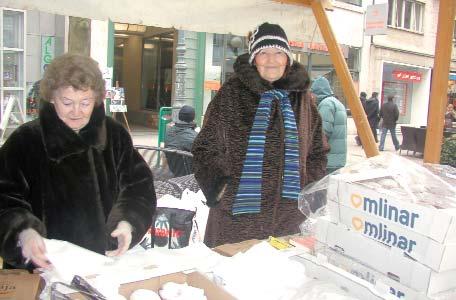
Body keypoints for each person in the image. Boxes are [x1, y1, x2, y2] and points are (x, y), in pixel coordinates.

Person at [0, 54, 156, 270]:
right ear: (52, 97)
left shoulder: (115, 136)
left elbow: (139, 188)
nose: (76, 112)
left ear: (97, 99)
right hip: (43, 270)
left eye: (85, 102)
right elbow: (5, 200)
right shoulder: (24, 141)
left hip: (103, 265)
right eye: (67, 102)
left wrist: (128, 222)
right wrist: (23, 234)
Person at [191, 22, 329, 248]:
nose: (271, 60)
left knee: (279, 280)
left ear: (288, 58)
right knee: (230, 280)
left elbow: (318, 150)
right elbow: (205, 147)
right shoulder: (232, 94)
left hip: (289, 219)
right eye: (263, 53)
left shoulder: (302, 99)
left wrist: (308, 187)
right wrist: (221, 188)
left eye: (278, 53)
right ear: (254, 58)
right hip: (236, 219)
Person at [311, 77, 347, 174]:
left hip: (328, 159)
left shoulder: (326, 104)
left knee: (321, 188)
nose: (311, 96)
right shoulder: (337, 103)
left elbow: (323, 132)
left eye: (312, 92)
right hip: (337, 158)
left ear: (318, 91)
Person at [164, 105, 198, 177]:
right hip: (188, 175)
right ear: (193, 118)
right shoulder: (193, 136)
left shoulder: (169, 131)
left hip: (173, 171)